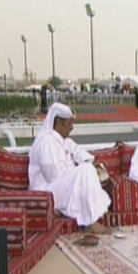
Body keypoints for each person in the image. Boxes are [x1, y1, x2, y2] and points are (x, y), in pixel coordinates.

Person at [29, 102, 112, 246]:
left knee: (88, 169)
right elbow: (53, 176)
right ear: (59, 123)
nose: (72, 127)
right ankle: (90, 223)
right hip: (46, 191)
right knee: (85, 171)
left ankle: (89, 219)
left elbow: (81, 154)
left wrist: (91, 163)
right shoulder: (45, 142)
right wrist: (77, 171)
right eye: (69, 124)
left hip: (60, 187)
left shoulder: (64, 141)